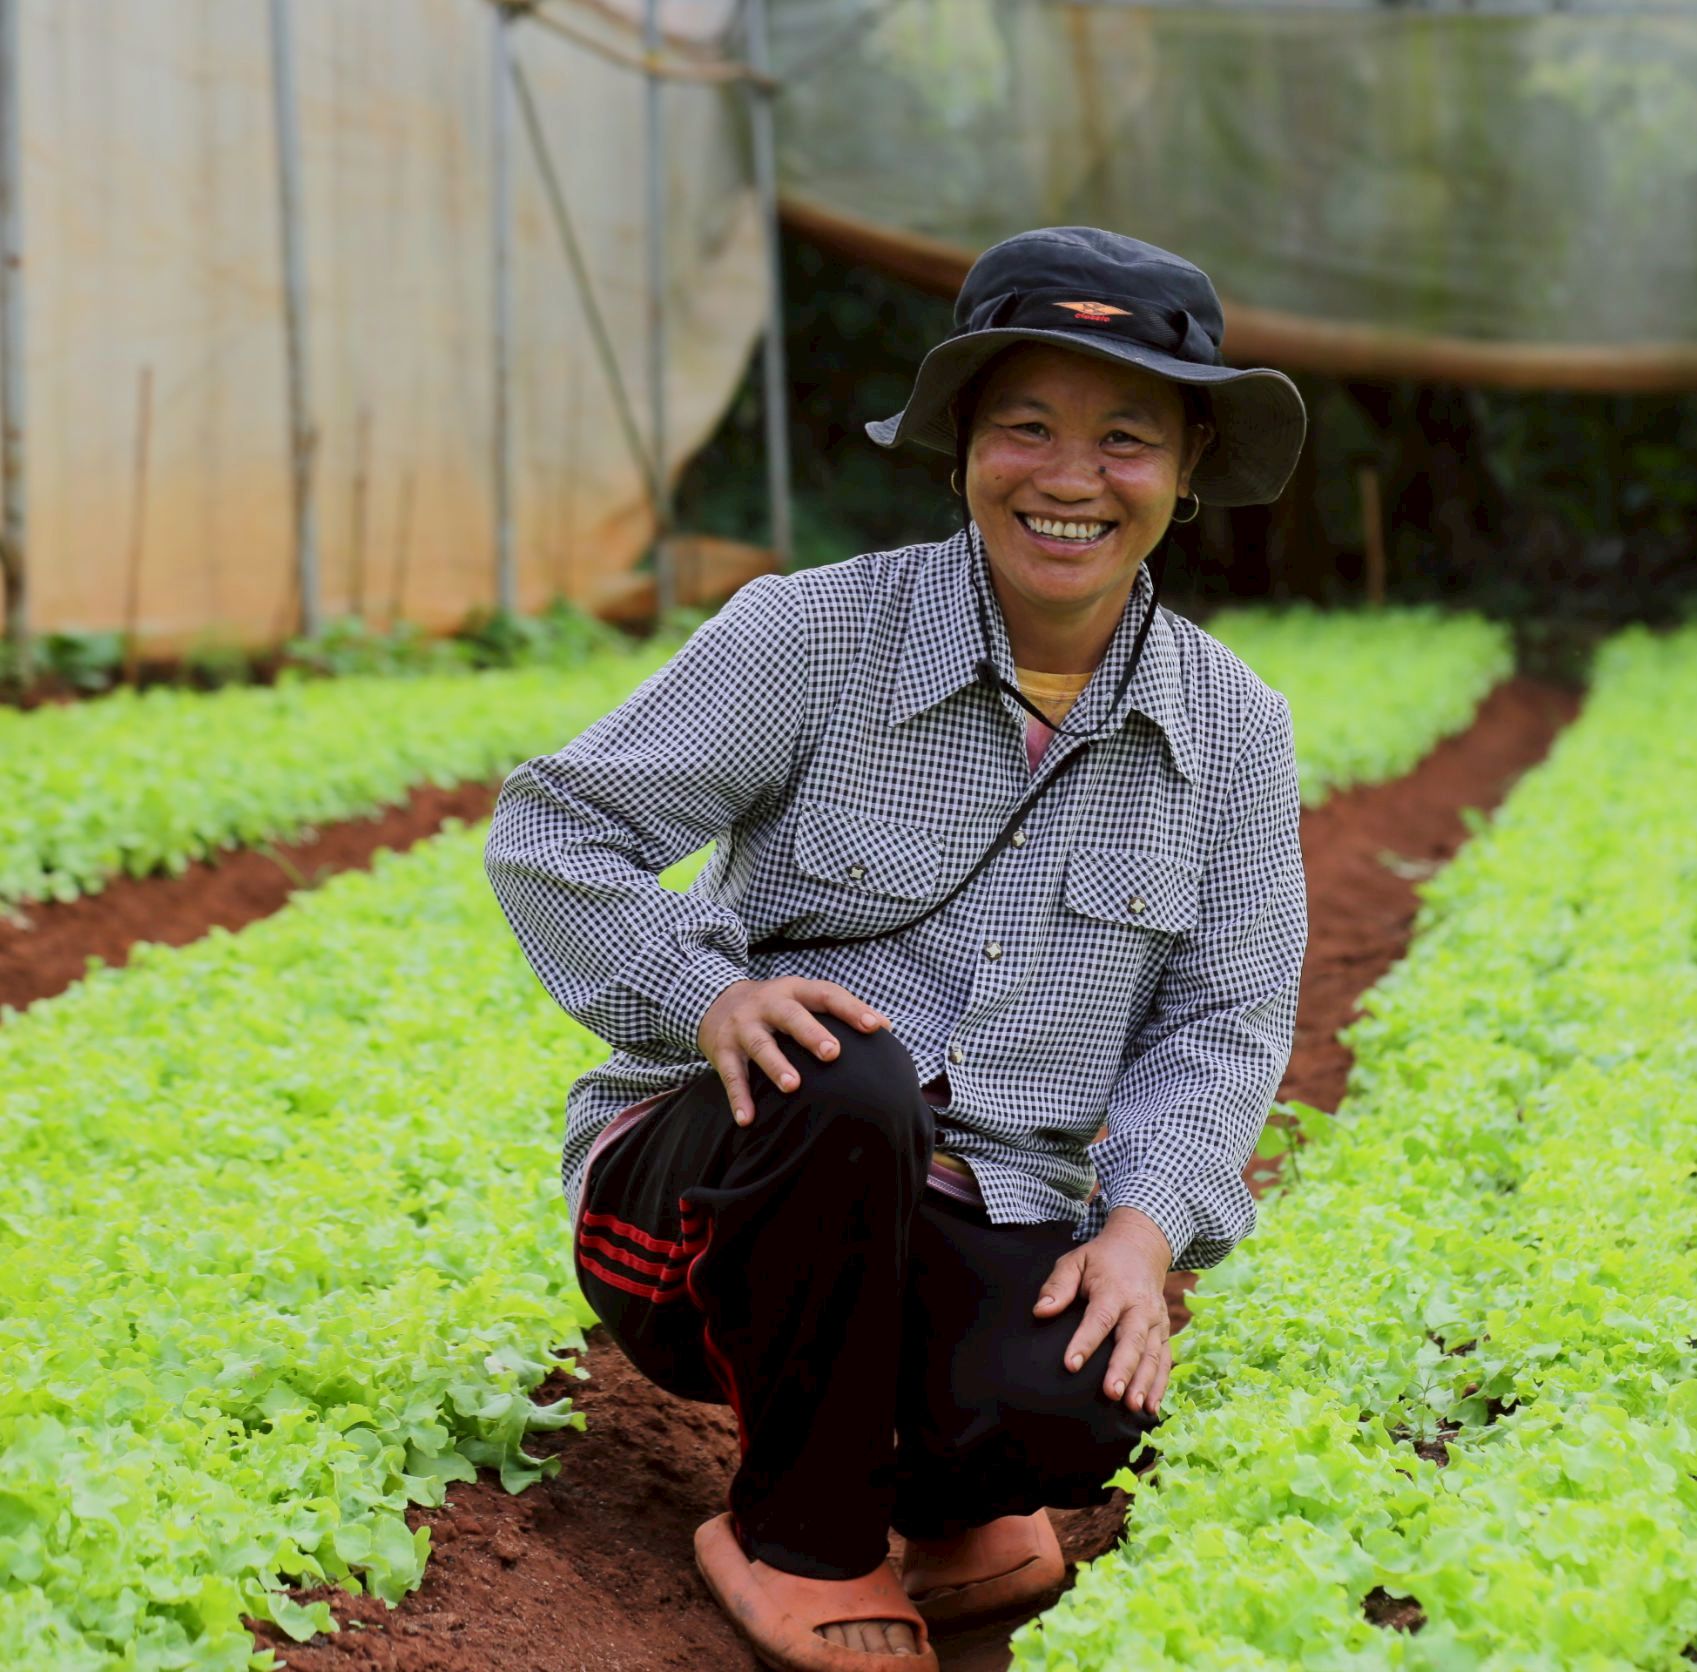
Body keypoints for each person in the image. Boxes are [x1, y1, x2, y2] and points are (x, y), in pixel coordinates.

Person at [483, 227, 1311, 1671]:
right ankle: (797, 1533)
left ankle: (945, 1499)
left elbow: (1223, 1020)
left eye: (1125, 439)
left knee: (1072, 1403)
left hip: (980, 1193)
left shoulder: (1233, 727)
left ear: (1186, 473)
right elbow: (557, 827)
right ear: (963, 451)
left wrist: (1138, 1232)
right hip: (724, 1192)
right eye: (1027, 428)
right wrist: (708, 996)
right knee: (847, 1071)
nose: (1070, 478)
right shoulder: (814, 635)